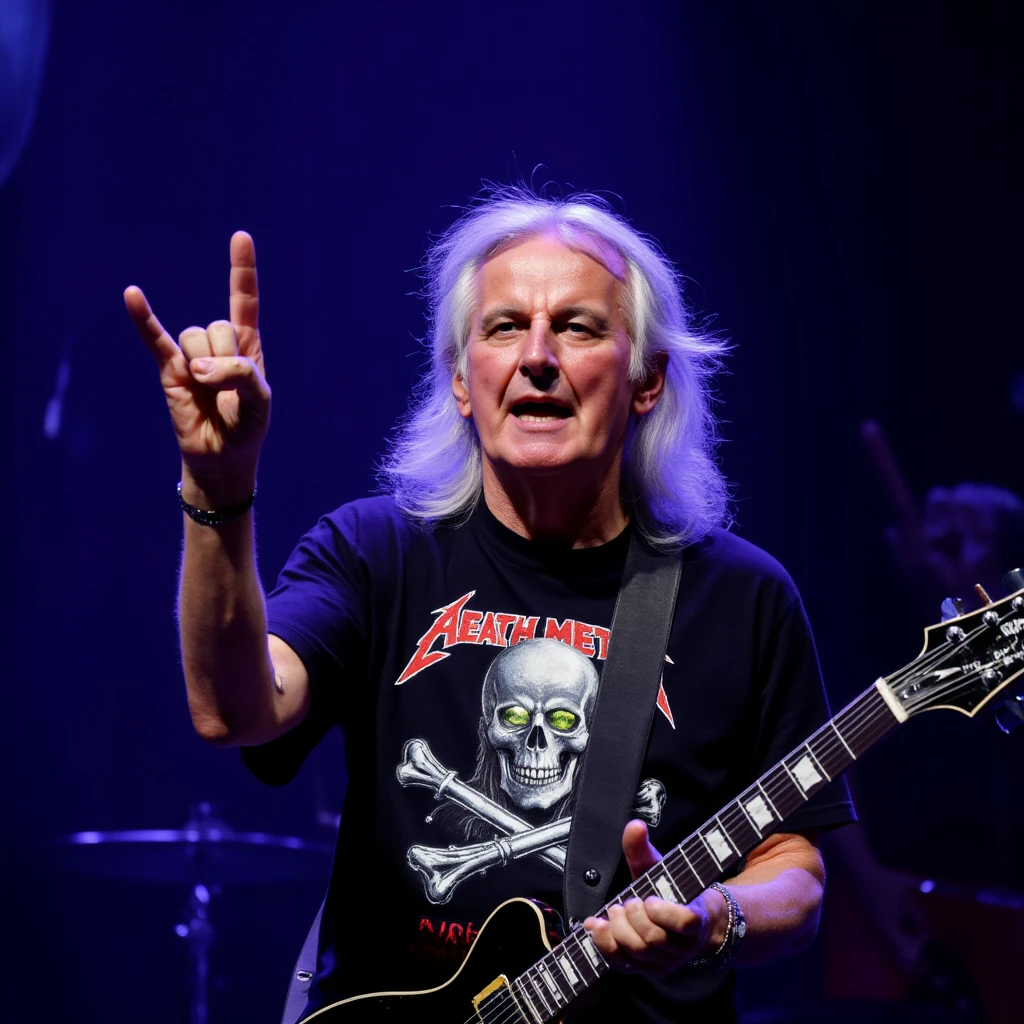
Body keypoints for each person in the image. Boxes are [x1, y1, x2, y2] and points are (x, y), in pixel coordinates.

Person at [126, 188, 855, 1022]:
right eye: (504, 326)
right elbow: (236, 709)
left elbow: (793, 869)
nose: (536, 356)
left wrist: (713, 918)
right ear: (462, 381)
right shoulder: (375, 555)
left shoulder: (743, 597)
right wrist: (220, 487)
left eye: (577, 326)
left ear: (647, 379)